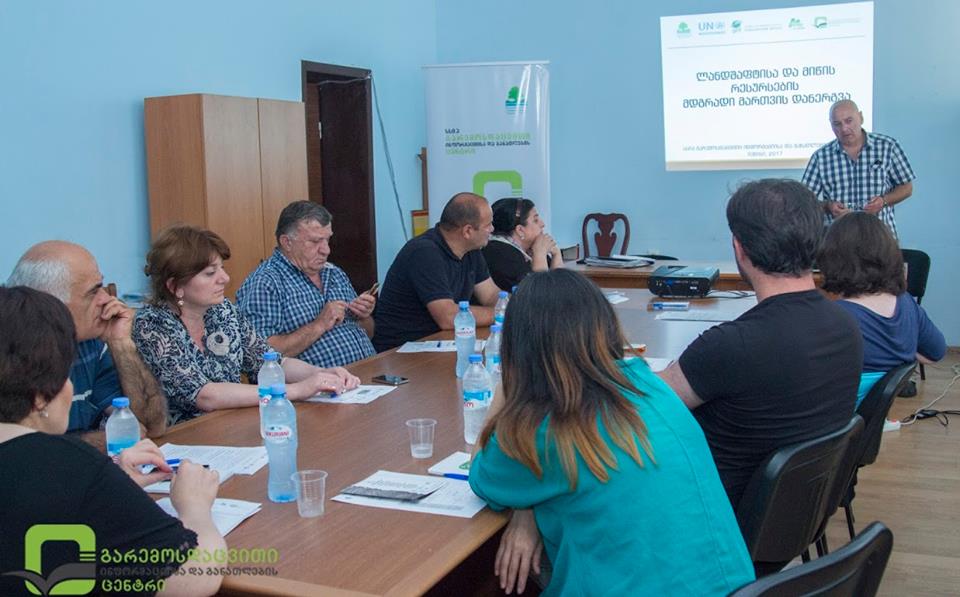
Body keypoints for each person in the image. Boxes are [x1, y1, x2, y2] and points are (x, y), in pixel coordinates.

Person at [469, 269, 755, 596]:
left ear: (519, 349)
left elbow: (481, 473)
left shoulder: (544, 430)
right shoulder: (649, 385)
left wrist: (505, 387)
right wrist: (528, 507)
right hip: (732, 587)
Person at [0, 286, 225, 596]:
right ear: (40, 397)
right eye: (65, 375)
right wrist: (196, 508)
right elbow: (195, 579)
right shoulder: (71, 464)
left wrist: (112, 484)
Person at [658, 179, 863, 510]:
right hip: (796, 517)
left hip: (715, 520)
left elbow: (642, 406)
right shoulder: (846, 326)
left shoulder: (730, 346)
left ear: (739, 248)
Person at [133, 225, 360, 424]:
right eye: (210, 273)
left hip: (231, 425)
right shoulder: (152, 324)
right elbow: (204, 395)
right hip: (186, 436)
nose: (224, 278)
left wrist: (322, 374)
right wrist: (297, 390)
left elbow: (270, 362)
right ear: (175, 286)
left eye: (221, 268)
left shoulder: (223, 311)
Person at [7, 241, 168, 443]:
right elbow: (20, 448)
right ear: (50, 302)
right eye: (94, 291)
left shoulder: (91, 343)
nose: (106, 299)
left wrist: (121, 343)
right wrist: (100, 441)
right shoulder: (10, 355)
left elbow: (151, 426)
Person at [819, 212, 945, 407]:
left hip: (830, 417)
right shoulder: (906, 303)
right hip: (868, 419)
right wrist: (897, 347)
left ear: (832, 258)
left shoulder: (835, 317)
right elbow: (934, 353)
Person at [237, 201, 376, 368]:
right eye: (315, 241)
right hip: (319, 382)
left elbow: (368, 333)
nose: (326, 250)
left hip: (368, 372)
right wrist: (320, 324)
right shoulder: (266, 282)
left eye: (327, 240)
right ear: (287, 242)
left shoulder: (334, 273)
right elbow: (258, 356)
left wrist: (363, 315)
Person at [372, 192, 501, 351]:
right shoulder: (424, 252)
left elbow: (490, 295)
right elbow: (448, 317)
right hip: (403, 350)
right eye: (488, 225)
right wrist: (502, 314)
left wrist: (513, 305)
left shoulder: (471, 250)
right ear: (467, 231)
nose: (492, 229)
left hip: (442, 343)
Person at [801, 99, 916, 238]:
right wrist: (828, 206)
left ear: (861, 117)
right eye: (837, 124)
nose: (844, 129)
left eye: (849, 121)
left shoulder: (887, 147)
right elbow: (804, 200)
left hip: (880, 237)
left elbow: (907, 188)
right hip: (838, 239)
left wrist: (883, 201)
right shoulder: (821, 157)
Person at [481, 197, 564, 291]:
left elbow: (560, 289)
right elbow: (538, 294)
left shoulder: (531, 248)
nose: (542, 224)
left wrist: (556, 254)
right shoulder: (500, 253)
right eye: (535, 220)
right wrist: (539, 256)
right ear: (520, 230)